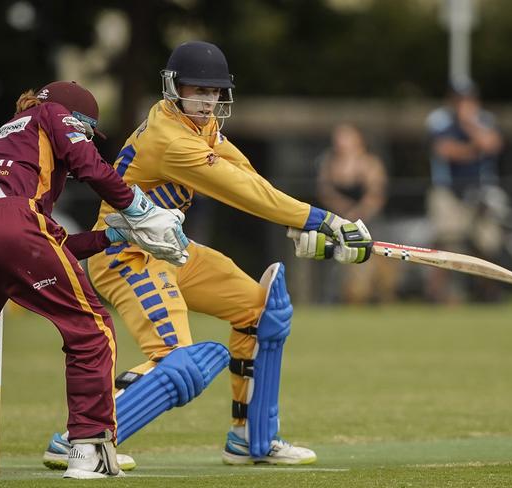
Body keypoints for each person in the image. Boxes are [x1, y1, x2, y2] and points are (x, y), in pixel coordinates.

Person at [43, 41, 372, 469]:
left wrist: (296, 223)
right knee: (178, 361)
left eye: (214, 92)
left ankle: (251, 437)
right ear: (174, 88)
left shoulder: (202, 126)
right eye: (197, 90)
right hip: (126, 255)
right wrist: (324, 221)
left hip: (171, 251)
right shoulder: (171, 140)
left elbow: (248, 176)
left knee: (261, 311)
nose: (207, 100)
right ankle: (80, 438)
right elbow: (242, 192)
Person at [0, 81, 189, 480]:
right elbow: (86, 166)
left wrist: (112, 235)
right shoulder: (51, 112)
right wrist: (140, 209)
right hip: (8, 224)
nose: (86, 141)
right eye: (87, 131)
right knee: (91, 328)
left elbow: (47, 247)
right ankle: (89, 447)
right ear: (74, 119)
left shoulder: (5, 141)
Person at [425, 78, 505, 303]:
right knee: (446, 241)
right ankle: (436, 295)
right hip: (448, 190)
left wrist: (469, 125)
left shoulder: (485, 119)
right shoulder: (439, 120)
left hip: (482, 190)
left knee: (487, 243)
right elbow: (445, 150)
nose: (463, 104)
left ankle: (488, 293)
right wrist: (474, 148)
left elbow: (492, 144)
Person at [316, 123, 397, 303]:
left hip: (369, 221)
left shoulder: (370, 163)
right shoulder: (329, 163)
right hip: (338, 221)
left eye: (345, 137)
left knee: (378, 266)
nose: (340, 142)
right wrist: (344, 213)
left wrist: (358, 214)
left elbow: (376, 195)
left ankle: (383, 299)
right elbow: (325, 192)